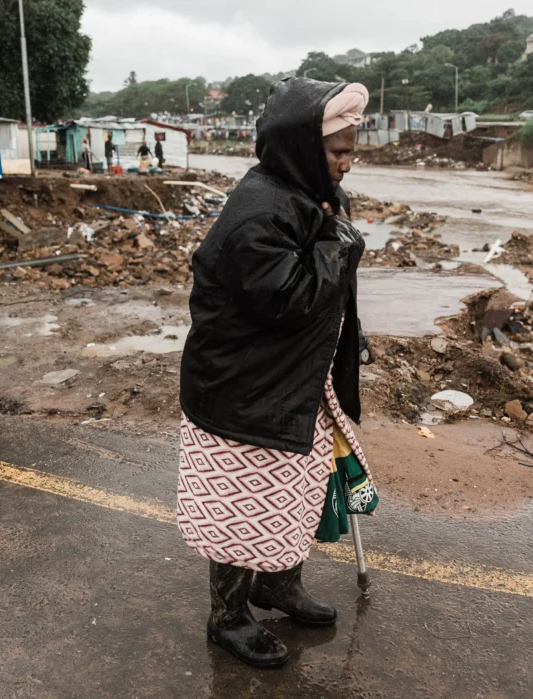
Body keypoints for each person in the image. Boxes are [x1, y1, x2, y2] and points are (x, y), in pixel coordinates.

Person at [177, 79, 375, 669]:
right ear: (303, 147)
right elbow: (287, 299)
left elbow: (328, 296)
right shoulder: (257, 213)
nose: (347, 163)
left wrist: (351, 334)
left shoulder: (315, 194)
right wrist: (338, 248)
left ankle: (277, 583)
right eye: (338, 152)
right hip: (243, 389)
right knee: (241, 503)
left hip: (292, 381)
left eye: (350, 150)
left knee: (294, 491)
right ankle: (228, 616)